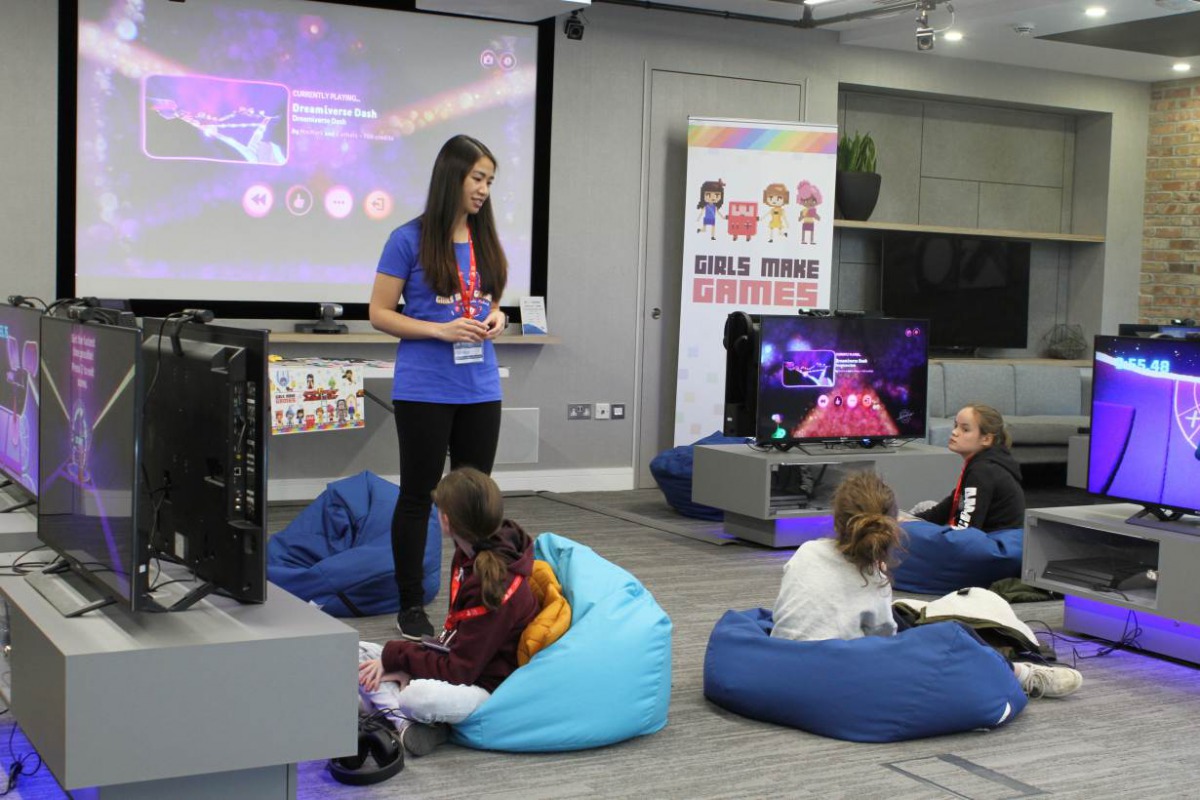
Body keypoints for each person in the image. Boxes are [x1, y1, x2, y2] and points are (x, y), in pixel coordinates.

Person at [771, 471, 1082, 699]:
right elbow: (885, 641)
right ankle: (1022, 674)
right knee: (950, 638)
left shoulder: (806, 551)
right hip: (836, 674)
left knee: (904, 616)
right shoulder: (874, 578)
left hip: (781, 665)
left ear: (837, 517)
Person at [369, 134, 509, 639]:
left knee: (475, 499)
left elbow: (490, 301)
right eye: (477, 178)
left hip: (480, 386)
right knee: (418, 496)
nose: (484, 189)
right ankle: (411, 604)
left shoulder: (484, 238)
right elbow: (379, 313)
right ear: (453, 177)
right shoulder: (407, 239)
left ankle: (476, 595)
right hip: (425, 388)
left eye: (489, 181)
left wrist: (498, 319)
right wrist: (438, 330)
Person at [357, 468, 538, 756]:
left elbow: (460, 671)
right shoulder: (469, 553)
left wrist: (401, 661)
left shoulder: (495, 583)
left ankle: (401, 718)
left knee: (416, 696)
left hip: (486, 688)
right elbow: (453, 645)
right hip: (452, 659)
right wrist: (402, 663)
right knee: (356, 652)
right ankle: (401, 713)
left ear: (445, 521)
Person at [912, 403, 1025, 532]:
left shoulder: (983, 471)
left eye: (965, 429)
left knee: (914, 524)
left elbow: (967, 532)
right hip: (982, 535)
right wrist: (907, 521)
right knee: (923, 507)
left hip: (993, 541)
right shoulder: (982, 463)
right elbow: (945, 510)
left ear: (986, 439)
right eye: (956, 426)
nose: (954, 432)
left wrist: (911, 529)